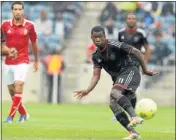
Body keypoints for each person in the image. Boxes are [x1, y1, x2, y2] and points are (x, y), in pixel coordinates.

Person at [74, 26, 158, 139]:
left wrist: (145, 70)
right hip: (119, 78)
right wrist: (88, 90)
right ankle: (133, 133)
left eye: (100, 37)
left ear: (105, 37)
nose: (97, 39)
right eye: (95, 37)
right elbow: (96, 75)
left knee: (114, 93)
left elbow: (137, 52)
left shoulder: (115, 45)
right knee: (113, 104)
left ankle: (134, 116)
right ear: (91, 38)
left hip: (130, 71)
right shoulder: (96, 56)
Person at [1, 2, 39, 123]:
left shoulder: (30, 25)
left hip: (23, 60)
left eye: (20, 9)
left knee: (19, 85)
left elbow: (34, 43)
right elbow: (1, 44)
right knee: (12, 90)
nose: (18, 11)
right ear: (12, 11)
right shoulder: (4, 25)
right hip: (8, 62)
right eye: (15, 9)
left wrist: (36, 60)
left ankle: (10, 117)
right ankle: (23, 113)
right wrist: (7, 50)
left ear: (23, 11)